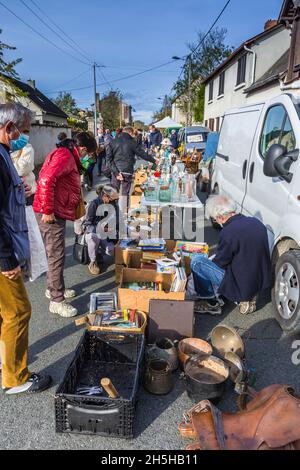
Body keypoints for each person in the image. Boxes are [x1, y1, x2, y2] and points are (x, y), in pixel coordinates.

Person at [0, 102, 52, 394]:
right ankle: (15, 377)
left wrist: (18, 187)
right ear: (9, 128)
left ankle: (5, 362)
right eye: (23, 131)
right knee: (19, 311)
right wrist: (6, 259)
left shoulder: (3, 153)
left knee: (4, 311)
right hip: (2, 253)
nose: (24, 137)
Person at [33, 132, 97, 318]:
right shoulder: (65, 156)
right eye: (88, 154)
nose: (87, 158)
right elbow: (45, 179)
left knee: (55, 254)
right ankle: (57, 300)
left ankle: (53, 288)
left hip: (53, 210)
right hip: (50, 213)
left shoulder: (65, 154)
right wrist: (47, 210)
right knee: (56, 255)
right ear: (83, 149)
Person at [191, 195, 272, 315]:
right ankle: (249, 294)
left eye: (215, 219)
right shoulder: (256, 223)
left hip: (241, 284)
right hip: (260, 279)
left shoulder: (228, 232)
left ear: (220, 217)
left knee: (197, 262)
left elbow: (221, 263)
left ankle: (210, 301)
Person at [106, 126, 156, 203]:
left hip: (115, 169)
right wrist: (153, 160)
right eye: (132, 134)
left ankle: (113, 210)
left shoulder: (113, 141)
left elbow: (109, 160)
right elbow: (142, 154)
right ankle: (123, 213)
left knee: (113, 193)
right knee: (125, 194)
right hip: (127, 169)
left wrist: (116, 173)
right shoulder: (132, 142)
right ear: (130, 132)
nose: (133, 135)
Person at [82, 185, 119, 275]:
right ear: (105, 196)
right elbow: (87, 224)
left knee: (112, 250)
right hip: (93, 233)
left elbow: (117, 221)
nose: (114, 201)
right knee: (93, 237)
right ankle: (93, 261)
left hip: (106, 235)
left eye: (116, 199)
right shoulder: (93, 204)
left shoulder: (113, 204)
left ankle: (98, 252)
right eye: (113, 199)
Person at [11, 129, 36, 205]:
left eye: (26, 132)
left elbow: (21, 169)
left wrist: (9, 167)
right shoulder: (6, 148)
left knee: (27, 215)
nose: (25, 135)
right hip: (12, 192)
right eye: (23, 131)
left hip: (27, 190)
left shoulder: (27, 148)